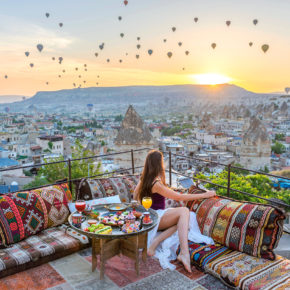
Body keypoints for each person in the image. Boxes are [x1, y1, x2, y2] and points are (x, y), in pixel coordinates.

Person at [134, 150, 216, 273]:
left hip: (148, 216)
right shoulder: (156, 183)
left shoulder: (143, 179)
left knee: (188, 217)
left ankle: (156, 241)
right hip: (155, 217)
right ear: (159, 164)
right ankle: (184, 252)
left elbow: (135, 197)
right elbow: (178, 197)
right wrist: (205, 194)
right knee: (184, 211)